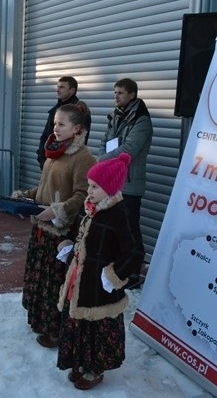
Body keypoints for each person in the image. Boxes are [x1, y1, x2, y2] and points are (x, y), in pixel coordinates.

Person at [56, 153, 143, 390]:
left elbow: (134, 253)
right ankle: (80, 362)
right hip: (82, 280)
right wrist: (71, 247)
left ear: (111, 188)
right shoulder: (91, 209)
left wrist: (113, 275)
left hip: (101, 286)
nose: (90, 190)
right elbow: (87, 241)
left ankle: (95, 368)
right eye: (90, 185)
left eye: (95, 186)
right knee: (81, 324)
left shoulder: (121, 215)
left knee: (96, 327)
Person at [12, 103, 95, 348]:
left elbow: (82, 196)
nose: (55, 128)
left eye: (61, 124)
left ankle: (56, 329)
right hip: (41, 225)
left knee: (55, 283)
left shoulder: (83, 158)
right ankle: (39, 319)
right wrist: (26, 195)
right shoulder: (54, 152)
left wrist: (58, 210)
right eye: (54, 123)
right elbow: (46, 188)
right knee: (39, 279)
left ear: (77, 128)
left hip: (61, 232)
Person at [98, 78, 152, 278]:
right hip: (113, 180)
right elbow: (104, 141)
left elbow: (129, 149)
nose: (116, 97)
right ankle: (120, 266)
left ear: (132, 95)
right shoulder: (116, 116)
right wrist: (102, 159)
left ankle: (134, 269)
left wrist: (101, 161)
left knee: (130, 227)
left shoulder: (141, 120)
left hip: (129, 183)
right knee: (117, 226)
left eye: (120, 93)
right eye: (114, 93)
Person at [36, 76, 91, 170]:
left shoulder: (80, 112)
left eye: (62, 87)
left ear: (72, 90)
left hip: (66, 165)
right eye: (57, 87)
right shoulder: (55, 110)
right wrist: (42, 159)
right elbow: (45, 136)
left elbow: (80, 140)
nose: (57, 90)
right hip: (49, 162)